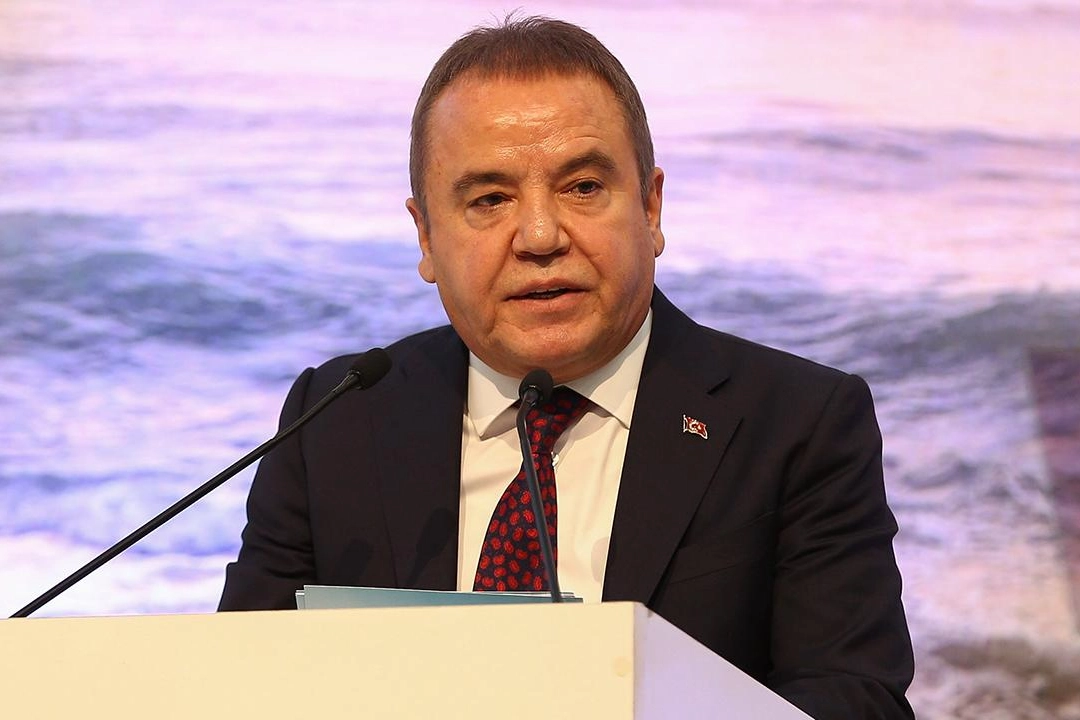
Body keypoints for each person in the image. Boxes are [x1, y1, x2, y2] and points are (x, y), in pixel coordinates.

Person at [219, 16, 915, 719]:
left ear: (650, 207)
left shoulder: (797, 424)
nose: (540, 236)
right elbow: (237, 683)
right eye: (489, 200)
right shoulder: (336, 417)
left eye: (582, 187)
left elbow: (855, 699)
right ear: (425, 236)